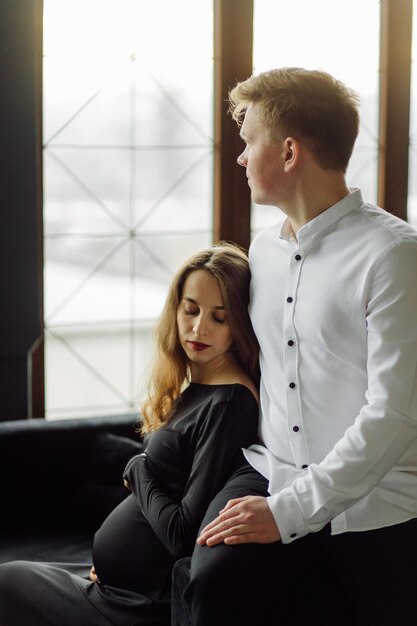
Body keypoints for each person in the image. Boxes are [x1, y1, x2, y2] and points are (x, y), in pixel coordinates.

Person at [173, 67, 417, 625]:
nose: (238, 158)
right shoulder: (261, 250)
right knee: (207, 585)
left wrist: (291, 513)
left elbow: (395, 414)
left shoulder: (394, 256)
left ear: (288, 152)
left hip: (375, 505)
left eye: (247, 140)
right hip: (272, 473)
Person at [0, 242, 260, 626]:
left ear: (239, 323)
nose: (198, 327)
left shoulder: (229, 404)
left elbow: (183, 534)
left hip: (136, 604)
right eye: (190, 309)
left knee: (6, 581)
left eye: (219, 317)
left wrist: (137, 469)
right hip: (115, 585)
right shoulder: (200, 387)